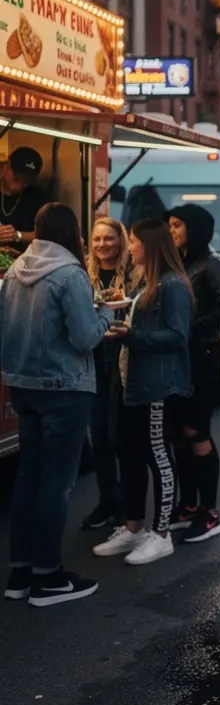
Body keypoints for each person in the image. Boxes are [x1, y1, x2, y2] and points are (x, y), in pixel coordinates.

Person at [1, 203, 112, 606]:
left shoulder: (14, 272)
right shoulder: (70, 274)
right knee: (56, 484)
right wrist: (104, 313)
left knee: (28, 477)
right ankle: (48, 578)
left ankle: (20, 573)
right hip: (64, 388)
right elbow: (85, 338)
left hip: (22, 385)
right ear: (74, 233)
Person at [93, 220, 192, 566]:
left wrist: (131, 337)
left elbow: (179, 338)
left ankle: (161, 534)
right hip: (131, 382)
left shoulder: (173, 285)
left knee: (157, 455)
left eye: (133, 242)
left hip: (157, 386)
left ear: (149, 246)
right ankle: (133, 526)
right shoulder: (143, 281)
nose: (128, 247)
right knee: (128, 453)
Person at [166, 204, 220, 544]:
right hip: (178, 357)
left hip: (203, 355)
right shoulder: (176, 261)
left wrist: (189, 329)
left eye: (177, 224)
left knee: (197, 431)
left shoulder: (214, 264)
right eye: (170, 224)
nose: (172, 230)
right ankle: (188, 505)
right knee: (179, 432)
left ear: (194, 228)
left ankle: (210, 512)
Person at [81, 217, 132, 531]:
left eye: (109, 239)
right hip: (95, 361)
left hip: (125, 361)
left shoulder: (135, 274)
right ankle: (107, 500)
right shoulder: (85, 277)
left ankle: (128, 504)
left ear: (121, 241)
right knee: (98, 436)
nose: (102, 245)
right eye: (97, 239)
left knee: (120, 438)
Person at [0, 146, 50, 250]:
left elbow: (49, 234)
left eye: (26, 182)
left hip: (26, 261)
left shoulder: (39, 197)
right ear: (6, 166)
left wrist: (17, 235)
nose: (19, 185)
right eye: (17, 178)